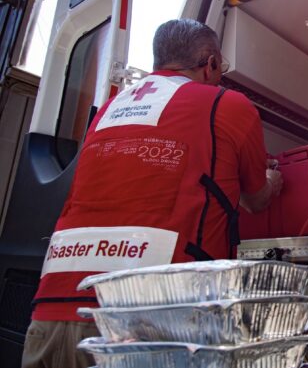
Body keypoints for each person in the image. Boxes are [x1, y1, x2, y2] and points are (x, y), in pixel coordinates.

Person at [21, 18, 282, 368]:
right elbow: (256, 199)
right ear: (211, 64)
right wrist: (271, 179)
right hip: (155, 320)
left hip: (52, 312)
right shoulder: (227, 103)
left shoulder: (110, 109)